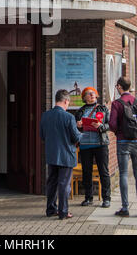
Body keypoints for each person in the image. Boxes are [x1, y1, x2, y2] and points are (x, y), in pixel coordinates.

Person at [109, 76, 137, 217]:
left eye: (117, 86)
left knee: (123, 173)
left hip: (122, 141)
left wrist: (118, 132)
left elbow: (112, 124)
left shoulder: (117, 103)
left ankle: (125, 208)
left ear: (119, 87)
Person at [40, 89, 82, 220]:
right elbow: (75, 137)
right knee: (64, 184)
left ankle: (51, 209)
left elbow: (42, 136)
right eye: (68, 103)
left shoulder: (45, 115)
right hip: (65, 156)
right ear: (66, 101)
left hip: (51, 154)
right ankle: (63, 212)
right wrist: (80, 132)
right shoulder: (69, 117)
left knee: (51, 182)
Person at [75, 87, 111, 208]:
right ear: (84, 98)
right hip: (85, 145)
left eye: (93, 93)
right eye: (88, 94)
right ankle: (88, 198)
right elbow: (75, 129)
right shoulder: (80, 111)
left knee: (103, 171)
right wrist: (78, 125)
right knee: (86, 172)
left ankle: (106, 198)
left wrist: (101, 126)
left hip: (100, 144)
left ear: (97, 96)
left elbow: (110, 125)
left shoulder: (103, 109)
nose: (91, 95)